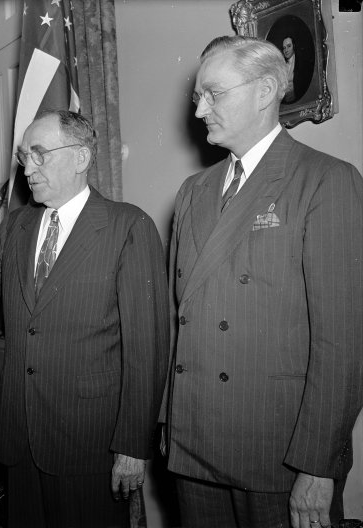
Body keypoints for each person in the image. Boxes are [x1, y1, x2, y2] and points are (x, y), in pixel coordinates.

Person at [164, 35, 363, 528]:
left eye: (213, 93)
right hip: (195, 448)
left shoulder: (325, 180)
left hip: (277, 451)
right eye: (196, 97)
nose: (199, 109)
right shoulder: (194, 191)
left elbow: (344, 342)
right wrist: (170, 422)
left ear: (265, 89)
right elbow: (178, 323)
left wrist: (318, 466)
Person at [0, 110, 170, 527]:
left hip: (90, 443)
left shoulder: (127, 226)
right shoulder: (18, 225)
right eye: (24, 155)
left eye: (39, 154)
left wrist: (133, 446)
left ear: (81, 157)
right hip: (20, 440)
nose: (27, 168)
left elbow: (147, 348)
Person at [281, 36, 312, 103]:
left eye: (289, 46)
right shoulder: (281, 65)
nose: (286, 50)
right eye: (284, 48)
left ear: (294, 46)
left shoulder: (302, 62)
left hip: (299, 101)